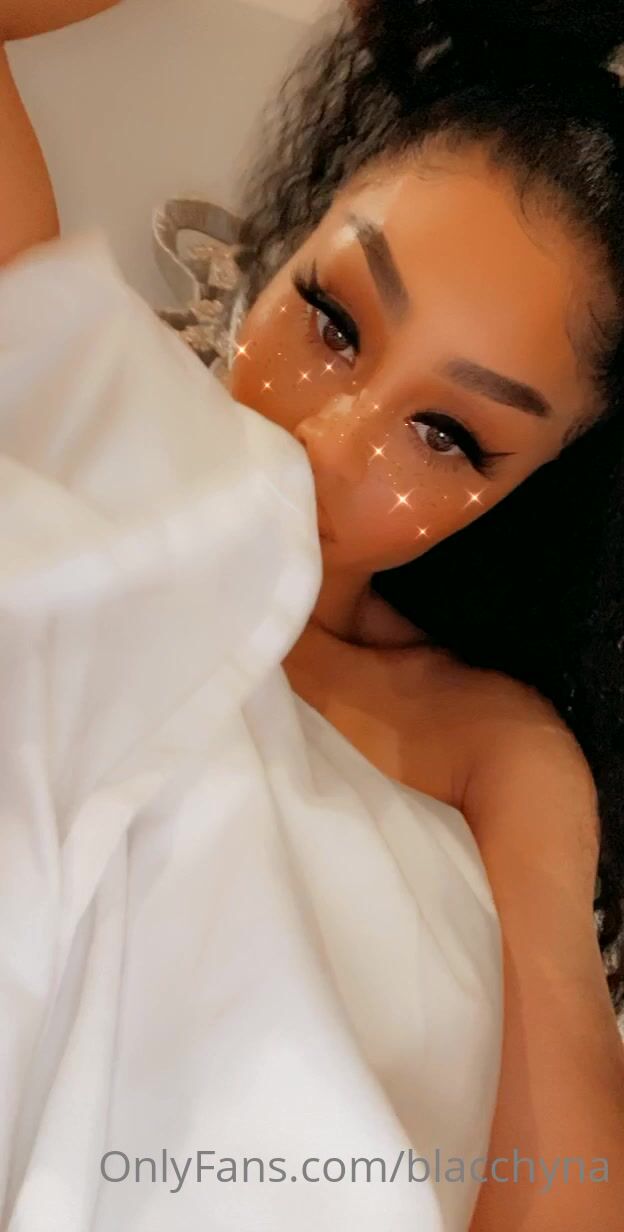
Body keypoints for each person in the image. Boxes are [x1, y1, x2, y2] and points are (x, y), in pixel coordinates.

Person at [0, 2, 623, 1230]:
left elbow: (563, 1193)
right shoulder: (75, 418)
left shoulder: (480, 744)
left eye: (448, 435)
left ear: (526, 491)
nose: (333, 441)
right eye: (334, 320)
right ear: (283, 251)